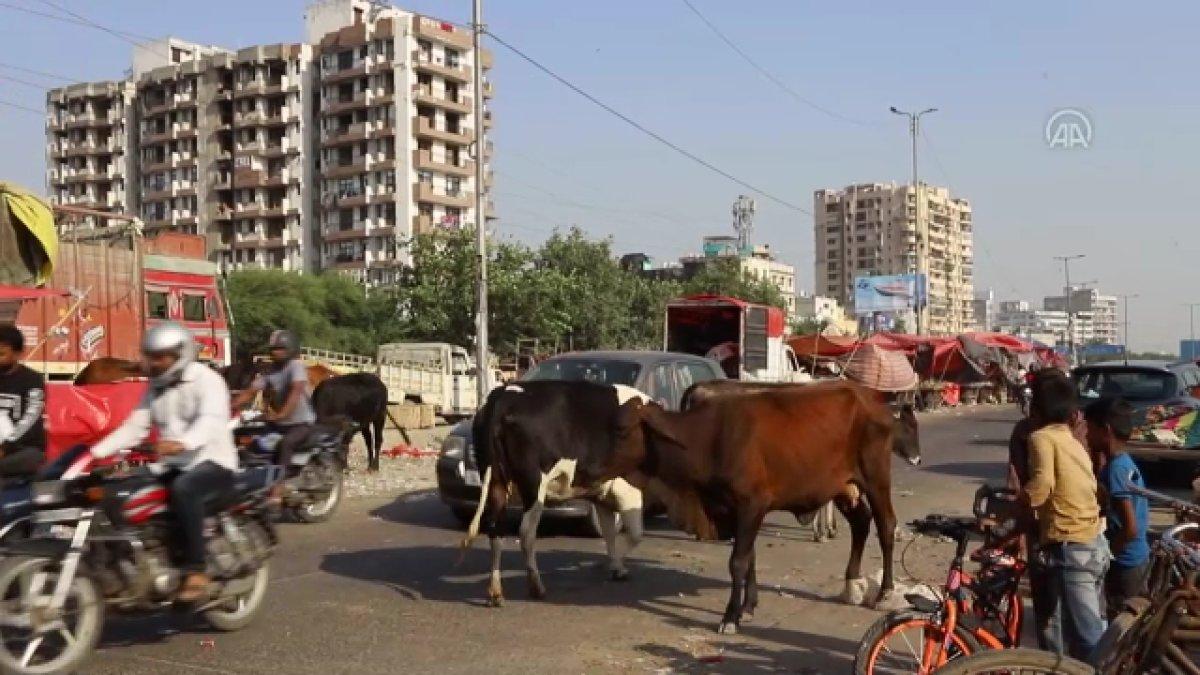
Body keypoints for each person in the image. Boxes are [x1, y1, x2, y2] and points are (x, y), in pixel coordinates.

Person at [91, 322, 238, 602]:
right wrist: (94, 454)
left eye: (161, 357)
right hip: (171, 464)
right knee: (116, 492)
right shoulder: (155, 388)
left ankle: (196, 570)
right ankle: (123, 566)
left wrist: (183, 442)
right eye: (151, 356)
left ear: (180, 354)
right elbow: (135, 427)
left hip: (212, 462)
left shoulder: (207, 380)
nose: (154, 363)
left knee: (185, 489)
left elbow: (211, 420)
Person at [1023, 373, 1109, 662]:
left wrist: (1010, 509)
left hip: (1073, 547)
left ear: (1035, 410)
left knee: (1090, 639)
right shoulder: (1073, 441)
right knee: (1080, 629)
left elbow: (1040, 488)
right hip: (1093, 544)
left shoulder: (1040, 438)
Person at [1086, 397, 1150, 617]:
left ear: (1106, 430)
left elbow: (1129, 528)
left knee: (1122, 628)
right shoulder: (1122, 463)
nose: (1086, 435)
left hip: (1126, 563)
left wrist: (1107, 555)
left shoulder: (1116, 470)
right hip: (1135, 558)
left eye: (1090, 429)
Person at [231, 330, 314, 476]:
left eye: (280, 348)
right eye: (273, 349)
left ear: (291, 349)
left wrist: (280, 415)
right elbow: (250, 392)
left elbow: (295, 393)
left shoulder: (296, 366)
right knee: (248, 437)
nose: (275, 352)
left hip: (301, 424)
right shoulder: (271, 370)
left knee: (286, 444)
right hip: (279, 423)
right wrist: (229, 407)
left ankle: (278, 488)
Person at [0, 323, 45, 486]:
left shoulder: (33, 380)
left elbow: (31, 418)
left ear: (18, 352)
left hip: (24, 449)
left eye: (3, 350)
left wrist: (6, 447)